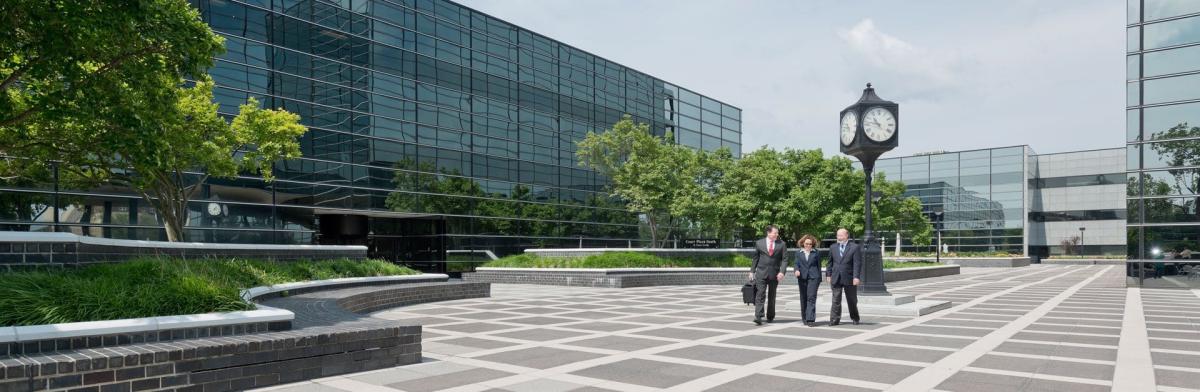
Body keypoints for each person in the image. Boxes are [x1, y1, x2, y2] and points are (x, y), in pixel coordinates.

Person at [749, 225, 788, 325]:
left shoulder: (782, 244)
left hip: (774, 274)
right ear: (768, 233)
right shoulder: (759, 243)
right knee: (760, 294)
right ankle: (758, 316)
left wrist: (782, 272)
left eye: (777, 233)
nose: (777, 234)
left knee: (772, 296)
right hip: (761, 273)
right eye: (775, 233)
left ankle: (770, 315)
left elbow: (784, 259)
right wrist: (752, 271)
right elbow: (755, 258)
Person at [827, 228, 862, 326]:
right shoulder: (833, 247)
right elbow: (829, 262)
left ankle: (855, 317)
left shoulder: (854, 247)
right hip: (836, 277)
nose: (839, 237)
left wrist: (856, 277)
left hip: (849, 278)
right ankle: (834, 320)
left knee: (851, 299)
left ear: (847, 236)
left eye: (841, 235)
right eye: (838, 235)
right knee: (836, 299)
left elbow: (857, 263)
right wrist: (828, 274)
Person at [793, 234, 822, 327]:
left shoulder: (816, 253)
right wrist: (796, 270)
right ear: (803, 243)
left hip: (814, 277)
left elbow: (819, 266)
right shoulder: (799, 253)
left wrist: (819, 279)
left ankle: (810, 319)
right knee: (803, 297)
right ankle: (804, 318)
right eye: (806, 244)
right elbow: (796, 263)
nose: (808, 245)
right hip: (802, 277)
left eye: (810, 244)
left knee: (811, 297)